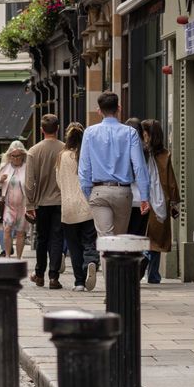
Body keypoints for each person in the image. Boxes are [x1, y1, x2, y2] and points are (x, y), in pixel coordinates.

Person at [78, 91, 150, 238]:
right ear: (119, 108)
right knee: (119, 240)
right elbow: (139, 166)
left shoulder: (90, 133)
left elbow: (84, 167)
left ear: (99, 111)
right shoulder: (130, 133)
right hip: (122, 192)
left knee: (105, 238)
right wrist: (144, 196)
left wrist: (88, 192)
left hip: (99, 191)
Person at [55, 123, 100, 291]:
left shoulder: (61, 156)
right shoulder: (87, 154)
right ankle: (90, 262)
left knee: (74, 246)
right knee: (89, 240)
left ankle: (79, 282)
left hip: (68, 208)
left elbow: (59, 182)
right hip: (88, 206)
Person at [25, 114, 65, 289]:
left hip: (41, 202)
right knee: (57, 238)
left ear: (41, 130)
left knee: (41, 238)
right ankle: (54, 277)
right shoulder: (64, 150)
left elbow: (29, 182)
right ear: (58, 128)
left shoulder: (34, 151)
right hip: (60, 201)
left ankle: (40, 274)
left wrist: (29, 204)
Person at [141, 119, 180, 284]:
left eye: (144, 133)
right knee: (155, 238)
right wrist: (174, 201)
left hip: (146, 199)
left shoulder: (141, 152)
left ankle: (146, 264)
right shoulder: (164, 154)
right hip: (159, 200)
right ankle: (153, 274)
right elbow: (171, 181)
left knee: (150, 237)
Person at [0, 141, 29, 260]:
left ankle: (19, 258)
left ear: (23, 155)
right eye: (13, 156)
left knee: (20, 232)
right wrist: (0, 180)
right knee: (7, 230)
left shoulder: (27, 167)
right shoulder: (4, 167)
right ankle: (8, 256)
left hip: (23, 205)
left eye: (18, 155)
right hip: (8, 205)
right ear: (9, 155)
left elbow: (32, 185)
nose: (15, 158)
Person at [124, 117, 148, 235]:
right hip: (141, 199)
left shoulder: (122, 150)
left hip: (126, 197)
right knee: (139, 235)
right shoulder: (146, 151)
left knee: (125, 234)